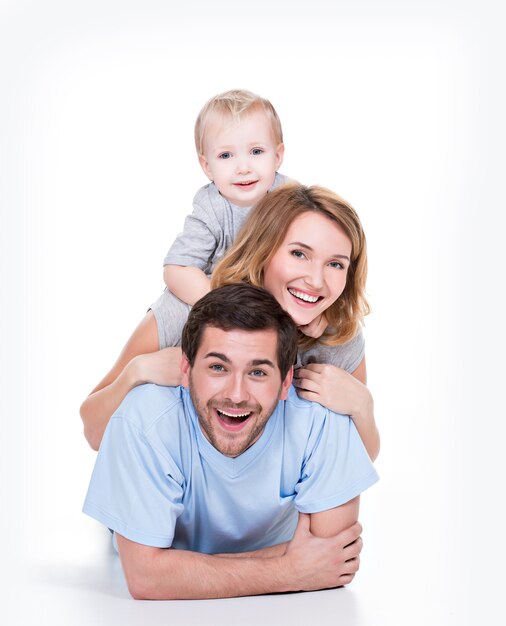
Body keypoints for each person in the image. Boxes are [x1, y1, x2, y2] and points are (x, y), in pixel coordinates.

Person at [83, 284, 379, 600]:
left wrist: (174, 568)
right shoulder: (143, 417)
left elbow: (334, 561)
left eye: (258, 373)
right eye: (218, 367)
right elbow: (145, 578)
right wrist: (290, 570)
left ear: (286, 381)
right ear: (185, 369)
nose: (236, 395)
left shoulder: (323, 418)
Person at [80, 184, 379, 459]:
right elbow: (94, 433)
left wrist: (362, 406)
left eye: (336, 264)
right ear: (264, 251)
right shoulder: (184, 311)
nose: (316, 280)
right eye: (299, 254)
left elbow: (352, 467)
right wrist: (137, 372)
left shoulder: (337, 338)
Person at [163, 89, 287, 306]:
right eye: (226, 155)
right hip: (218, 295)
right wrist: (221, 304)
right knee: (171, 306)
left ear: (277, 157)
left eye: (256, 151)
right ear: (207, 167)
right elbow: (177, 268)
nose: (243, 168)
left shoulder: (289, 197)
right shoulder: (211, 207)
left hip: (273, 299)